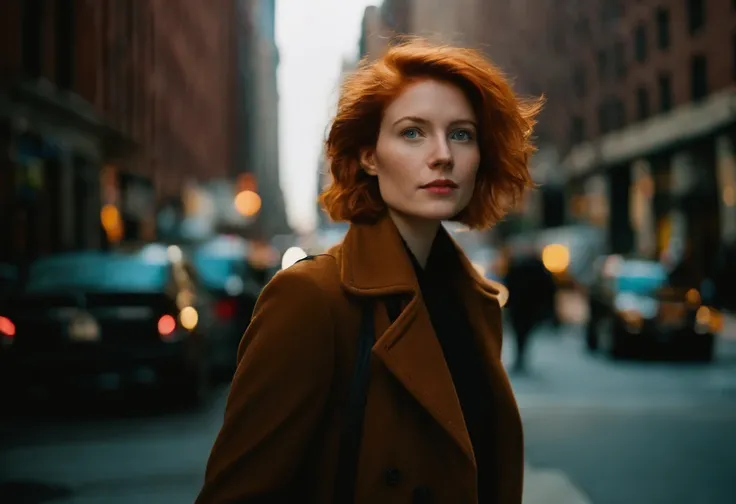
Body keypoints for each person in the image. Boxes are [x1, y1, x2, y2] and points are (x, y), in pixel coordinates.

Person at [196, 37, 543, 504]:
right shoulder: (310, 299)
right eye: (412, 132)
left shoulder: (474, 301)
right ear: (368, 155)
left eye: (461, 133)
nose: (442, 154)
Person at [503, 243, 558, 373]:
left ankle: (520, 357)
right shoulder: (538, 268)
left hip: (519, 306)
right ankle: (521, 357)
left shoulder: (516, 266)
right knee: (524, 332)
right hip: (530, 306)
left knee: (519, 332)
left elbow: (508, 284)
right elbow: (549, 288)